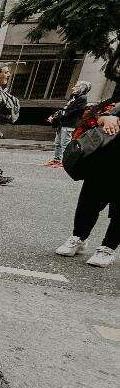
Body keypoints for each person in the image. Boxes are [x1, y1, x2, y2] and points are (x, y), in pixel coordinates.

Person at [54, 105, 119, 267]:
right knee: (88, 203)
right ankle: (79, 237)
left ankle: (108, 247)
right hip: (105, 160)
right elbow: (95, 116)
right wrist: (106, 119)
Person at [46, 81, 90, 167]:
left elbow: (74, 112)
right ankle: (56, 160)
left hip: (69, 124)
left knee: (65, 144)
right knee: (57, 143)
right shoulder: (73, 97)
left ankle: (64, 162)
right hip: (62, 123)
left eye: (76, 86)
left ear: (81, 88)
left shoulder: (82, 98)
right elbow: (65, 109)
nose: (73, 88)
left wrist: (59, 117)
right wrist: (55, 117)